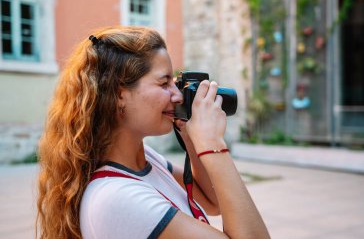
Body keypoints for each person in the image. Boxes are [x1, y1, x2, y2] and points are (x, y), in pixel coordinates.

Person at [36, 26, 270, 239]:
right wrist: (213, 144)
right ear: (119, 95)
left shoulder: (143, 160)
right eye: (164, 83)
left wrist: (191, 137)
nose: (177, 95)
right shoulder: (118, 198)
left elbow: (212, 201)